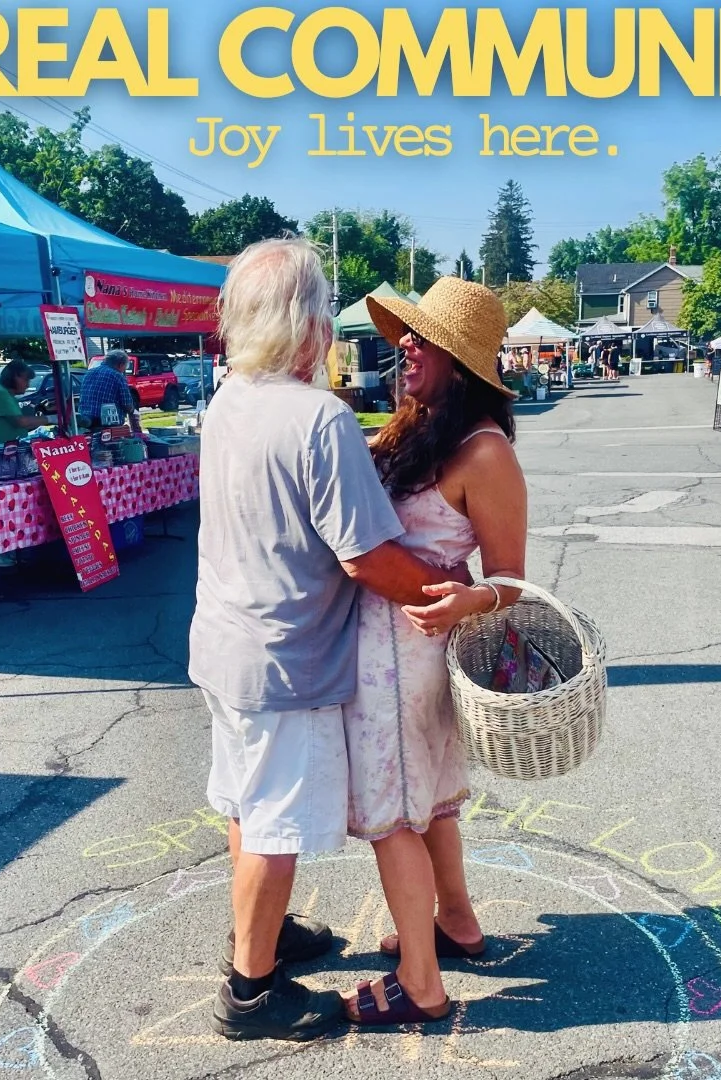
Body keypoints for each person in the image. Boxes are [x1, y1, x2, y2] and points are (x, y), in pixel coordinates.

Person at [188, 238, 471, 1042]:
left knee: (245, 803)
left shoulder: (229, 399)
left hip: (224, 641)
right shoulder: (319, 417)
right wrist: (450, 595)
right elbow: (367, 557)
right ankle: (251, 991)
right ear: (309, 323)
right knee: (274, 825)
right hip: (288, 656)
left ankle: (264, 934)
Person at [340, 278, 527, 1026]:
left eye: (424, 339)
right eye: (408, 335)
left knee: (395, 813)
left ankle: (420, 981)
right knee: (433, 799)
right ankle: (457, 922)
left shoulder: (484, 451)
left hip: (409, 656)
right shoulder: (415, 429)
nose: (406, 346)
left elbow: (512, 581)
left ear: (462, 362)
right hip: (389, 647)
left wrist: (469, 598)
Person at [0, 360, 46, 443]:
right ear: (14, 377)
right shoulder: (0, 394)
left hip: (3, 447)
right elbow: (21, 422)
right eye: (26, 380)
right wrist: (51, 419)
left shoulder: (1, 392)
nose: (28, 385)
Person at [78, 349, 142, 433]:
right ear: (120, 364)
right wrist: (133, 412)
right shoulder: (117, 376)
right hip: (107, 423)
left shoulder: (88, 373)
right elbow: (127, 405)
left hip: (85, 420)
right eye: (125, 367)